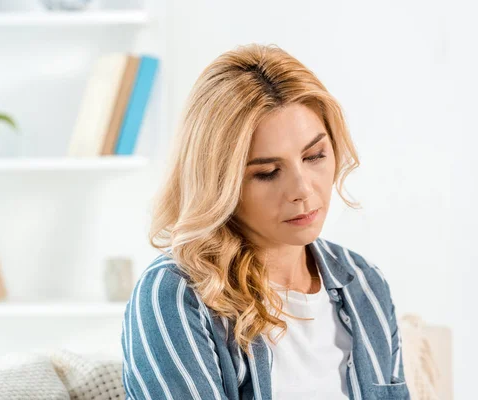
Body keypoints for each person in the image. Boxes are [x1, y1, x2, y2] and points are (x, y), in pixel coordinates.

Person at [120, 43, 410, 400]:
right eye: (268, 173)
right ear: (218, 183)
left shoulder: (365, 283)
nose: (302, 190)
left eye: (315, 155)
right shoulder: (176, 296)